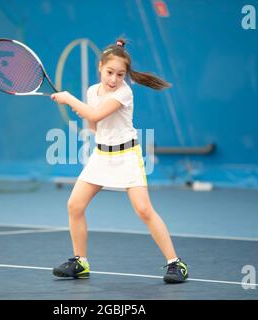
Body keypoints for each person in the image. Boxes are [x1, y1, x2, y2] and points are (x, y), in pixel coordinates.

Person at [50, 38, 188, 284]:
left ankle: (175, 263)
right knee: (75, 205)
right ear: (100, 68)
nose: (114, 79)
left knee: (144, 210)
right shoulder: (93, 91)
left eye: (120, 74)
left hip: (127, 157)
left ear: (126, 75)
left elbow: (94, 113)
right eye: (110, 72)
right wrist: (83, 109)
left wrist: (71, 100)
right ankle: (80, 261)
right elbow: (94, 125)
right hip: (101, 156)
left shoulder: (124, 92)